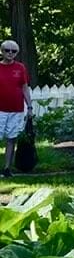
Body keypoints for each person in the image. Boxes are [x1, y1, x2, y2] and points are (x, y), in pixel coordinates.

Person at [0, 40, 34, 178]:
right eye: (7, 50)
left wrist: (30, 106)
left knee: (11, 138)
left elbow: (25, 88)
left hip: (16, 109)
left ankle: (7, 168)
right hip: (0, 109)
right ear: (2, 51)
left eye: (13, 51)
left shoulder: (20, 68)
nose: (10, 53)